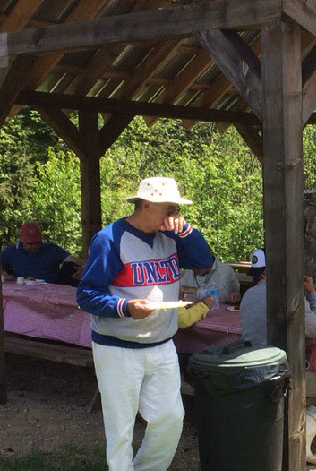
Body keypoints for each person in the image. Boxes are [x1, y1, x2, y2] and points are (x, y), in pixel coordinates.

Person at [76, 176, 213, 471]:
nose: (174, 213)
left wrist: (187, 231)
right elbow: (86, 295)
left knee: (170, 419)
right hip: (118, 348)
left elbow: (205, 261)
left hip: (162, 344)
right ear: (148, 204)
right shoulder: (110, 238)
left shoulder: (171, 236)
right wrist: (125, 307)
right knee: (121, 428)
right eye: (170, 207)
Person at [240, 270, 316, 465]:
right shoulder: (294, 297)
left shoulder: (250, 294)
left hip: (251, 369)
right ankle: (303, 440)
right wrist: (312, 295)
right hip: (283, 374)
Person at [0, 222, 84, 285]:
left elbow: (71, 259)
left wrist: (86, 267)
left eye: (37, 243)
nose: (34, 246)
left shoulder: (51, 248)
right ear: (21, 240)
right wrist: (3, 275)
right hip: (22, 289)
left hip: (53, 287)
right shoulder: (10, 252)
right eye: (29, 244)